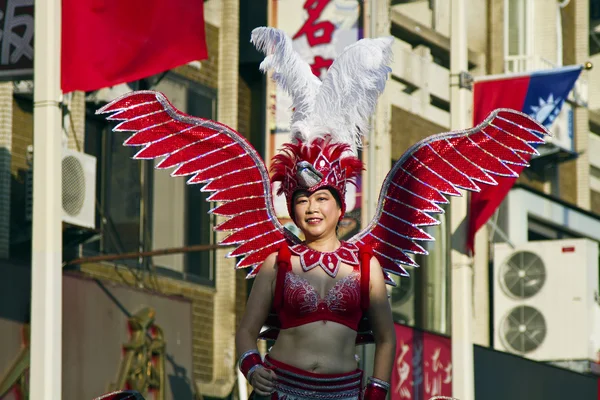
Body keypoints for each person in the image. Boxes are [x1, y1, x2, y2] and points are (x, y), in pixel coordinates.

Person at [95, 26, 549, 400]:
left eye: (321, 199)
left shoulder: (367, 263)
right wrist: (252, 367)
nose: (311, 208)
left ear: (341, 203)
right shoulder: (279, 259)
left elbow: (386, 338)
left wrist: (377, 388)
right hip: (281, 389)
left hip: (346, 392)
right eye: (301, 200)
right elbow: (246, 331)